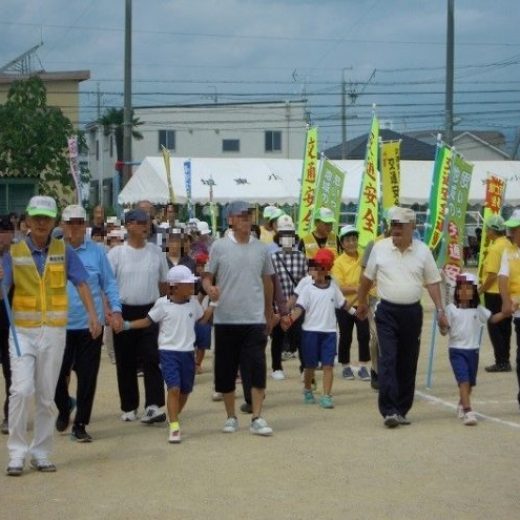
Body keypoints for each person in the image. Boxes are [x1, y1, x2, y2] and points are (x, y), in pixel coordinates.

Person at [1, 196, 101, 476]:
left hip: (55, 331)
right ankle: (17, 453)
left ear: (55, 221)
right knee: (20, 390)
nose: (42, 223)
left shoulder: (64, 251)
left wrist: (94, 316)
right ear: (28, 222)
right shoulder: (14, 252)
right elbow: (3, 290)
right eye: (37, 218)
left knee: (46, 396)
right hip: (22, 331)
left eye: (47, 218)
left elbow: (82, 283)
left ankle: (41, 452)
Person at [357, 207, 448, 428]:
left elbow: (433, 282)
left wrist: (441, 311)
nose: (395, 229)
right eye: (393, 225)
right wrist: (361, 303)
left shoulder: (423, 251)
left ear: (412, 227)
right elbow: (366, 278)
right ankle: (388, 410)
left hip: (412, 313)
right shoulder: (380, 248)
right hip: (386, 311)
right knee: (388, 358)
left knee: (407, 361)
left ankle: (401, 408)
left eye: (400, 225)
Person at [202, 200, 275, 436]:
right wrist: (208, 288)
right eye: (241, 216)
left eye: (249, 215)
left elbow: (267, 282)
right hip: (226, 318)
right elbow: (207, 277)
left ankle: (257, 416)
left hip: (253, 318)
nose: (246, 219)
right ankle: (231, 416)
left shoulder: (262, 249)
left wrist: (269, 311)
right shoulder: (219, 247)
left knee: (256, 367)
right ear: (230, 220)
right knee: (226, 369)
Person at [120, 265, 213, 443]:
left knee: (185, 391)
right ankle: (175, 426)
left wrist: (214, 304)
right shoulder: (162, 304)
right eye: (188, 284)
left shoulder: (193, 303)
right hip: (168, 352)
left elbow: (201, 319)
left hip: (187, 353)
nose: (192, 287)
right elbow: (147, 321)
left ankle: (173, 415)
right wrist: (126, 325)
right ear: (175, 286)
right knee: (174, 388)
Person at [54, 205, 122, 442]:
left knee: (87, 376)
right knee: (55, 375)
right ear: (62, 225)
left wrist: (116, 310)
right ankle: (64, 406)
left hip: (89, 326)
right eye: (70, 223)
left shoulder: (97, 252)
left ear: (85, 225)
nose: (75, 227)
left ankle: (81, 423)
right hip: (58, 326)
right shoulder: (53, 252)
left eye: (79, 223)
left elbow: (109, 283)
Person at [108, 208, 169, 424]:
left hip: (150, 310)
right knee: (125, 360)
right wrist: (111, 313)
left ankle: (153, 405)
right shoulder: (116, 254)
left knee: (152, 357)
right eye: (141, 222)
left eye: (147, 222)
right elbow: (108, 285)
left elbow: (163, 283)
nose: (146, 226)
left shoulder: (156, 252)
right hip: (124, 310)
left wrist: (161, 308)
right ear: (129, 225)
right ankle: (129, 406)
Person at [282, 248, 352, 409]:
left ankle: (326, 396)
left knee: (328, 366)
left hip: (329, 332)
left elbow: (344, 304)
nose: (321, 271)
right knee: (310, 366)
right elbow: (299, 308)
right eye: (318, 267)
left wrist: (358, 313)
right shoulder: (307, 287)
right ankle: (307, 389)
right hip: (310, 332)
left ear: (328, 268)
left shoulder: (333, 285)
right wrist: (290, 319)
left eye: (325, 268)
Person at [331, 225, 371, 381]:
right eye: (347, 240)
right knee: (346, 336)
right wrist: (358, 288)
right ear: (342, 243)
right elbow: (339, 288)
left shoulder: (364, 258)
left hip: (362, 303)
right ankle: (346, 366)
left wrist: (362, 290)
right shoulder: (338, 263)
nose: (351, 243)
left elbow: (370, 278)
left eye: (354, 239)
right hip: (344, 306)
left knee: (364, 335)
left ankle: (363, 367)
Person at [270, 215, 307, 380]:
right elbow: (269, 283)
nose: (287, 238)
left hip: (298, 305)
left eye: (290, 235)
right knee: (277, 337)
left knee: (301, 337)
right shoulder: (272, 257)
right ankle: (276, 367)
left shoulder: (301, 257)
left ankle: (304, 367)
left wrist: (295, 299)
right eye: (284, 235)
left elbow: (306, 281)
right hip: (279, 305)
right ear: (279, 237)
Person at [479, 215, 513, 372]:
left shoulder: (494, 249)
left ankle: (501, 361)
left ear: (493, 230)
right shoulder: (508, 244)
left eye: (488, 229)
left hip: (494, 293)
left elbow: (492, 275)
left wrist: (480, 290)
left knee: (494, 326)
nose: (486, 231)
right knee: (505, 327)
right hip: (507, 292)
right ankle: (505, 359)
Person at [498, 209, 520, 412]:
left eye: (515, 228)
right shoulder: (508, 252)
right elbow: (503, 277)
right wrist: (506, 301)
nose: (511, 232)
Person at [0, 215, 14, 435]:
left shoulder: (17, 257)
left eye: (5, 232)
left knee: (11, 370)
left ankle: (10, 415)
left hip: (10, 318)